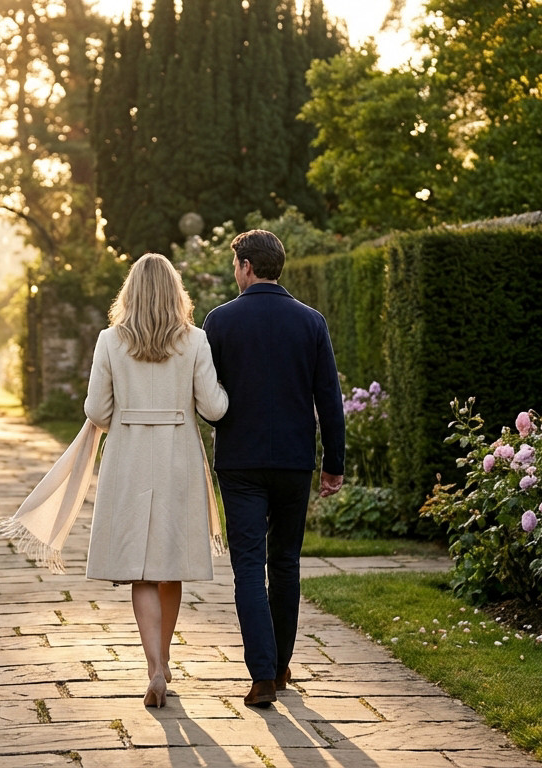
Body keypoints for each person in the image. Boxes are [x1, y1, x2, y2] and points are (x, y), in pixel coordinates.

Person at [201, 229, 345, 709]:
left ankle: (262, 675)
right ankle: (282, 666)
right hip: (293, 460)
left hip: (239, 462)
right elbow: (329, 397)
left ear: (245, 266)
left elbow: (208, 396)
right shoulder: (311, 322)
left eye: (235, 265)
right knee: (285, 562)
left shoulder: (219, 321)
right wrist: (334, 465)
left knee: (247, 564)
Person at [83, 253, 229, 708]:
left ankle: (152, 668)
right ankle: (164, 660)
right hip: (177, 459)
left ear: (130, 292)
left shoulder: (110, 340)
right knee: (170, 566)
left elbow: (96, 411)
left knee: (140, 571)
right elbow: (214, 408)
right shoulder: (196, 340)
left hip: (128, 457)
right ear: (175, 292)